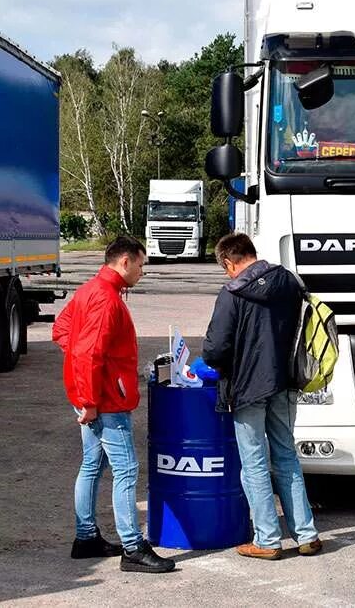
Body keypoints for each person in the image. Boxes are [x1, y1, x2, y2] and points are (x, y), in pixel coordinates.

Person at [52, 235, 175, 573]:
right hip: (105, 401)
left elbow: (63, 331)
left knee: (92, 465)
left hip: (96, 395)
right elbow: (87, 351)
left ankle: (87, 536)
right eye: (141, 264)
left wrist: (81, 381)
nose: (142, 271)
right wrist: (90, 398)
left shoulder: (92, 290)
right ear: (125, 262)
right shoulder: (106, 298)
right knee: (126, 470)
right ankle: (134, 548)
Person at [203, 232, 321, 560]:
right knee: (286, 457)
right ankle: (306, 535)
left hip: (247, 388)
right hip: (284, 382)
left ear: (229, 262)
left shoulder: (233, 293)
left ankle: (267, 539)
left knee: (253, 462)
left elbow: (215, 349)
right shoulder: (289, 282)